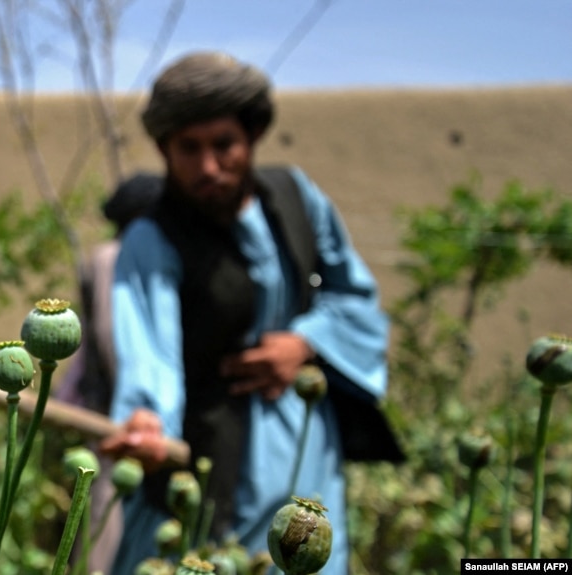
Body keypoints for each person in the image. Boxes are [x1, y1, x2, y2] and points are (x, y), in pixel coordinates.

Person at [98, 52, 403, 575]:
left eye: (224, 145)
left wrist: (305, 343)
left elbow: (353, 298)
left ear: (252, 138)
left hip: (307, 452)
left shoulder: (297, 199)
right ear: (163, 149)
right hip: (204, 458)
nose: (208, 167)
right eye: (188, 149)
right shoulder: (152, 239)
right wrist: (148, 423)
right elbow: (150, 356)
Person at [54, 172, 163, 574]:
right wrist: (137, 403)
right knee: (104, 524)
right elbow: (108, 333)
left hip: (133, 416)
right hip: (116, 417)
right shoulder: (113, 258)